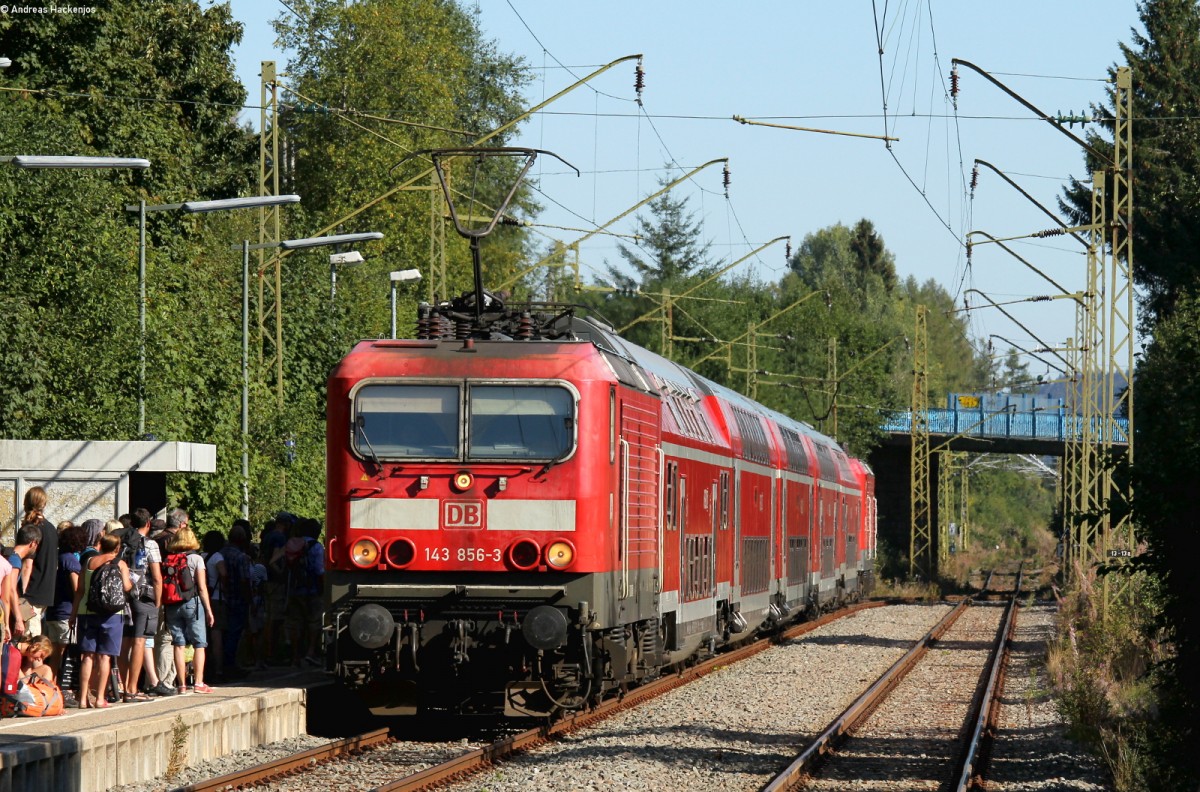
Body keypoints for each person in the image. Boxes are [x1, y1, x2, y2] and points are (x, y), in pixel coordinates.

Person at [71, 531, 131, 709]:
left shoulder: (89, 562)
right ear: (117, 548)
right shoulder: (120, 564)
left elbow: (80, 590)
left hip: (87, 611)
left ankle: (82, 699)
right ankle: (99, 698)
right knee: (105, 657)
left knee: (87, 656)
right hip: (112, 615)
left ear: (100, 545)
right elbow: (127, 587)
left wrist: (73, 615)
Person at [117, 508, 169, 699]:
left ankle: (122, 686)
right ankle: (132, 689)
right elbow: (156, 577)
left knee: (124, 642)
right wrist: (158, 601)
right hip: (144, 597)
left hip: (123, 596)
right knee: (140, 641)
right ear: (148, 524)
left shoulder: (122, 542)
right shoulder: (150, 545)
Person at [164, 526, 214, 694]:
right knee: (199, 643)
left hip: (172, 604)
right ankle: (198, 683)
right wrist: (208, 610)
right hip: (192, 603)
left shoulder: (169, 558)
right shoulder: (196, 559)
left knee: (178, 643)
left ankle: (181, 685)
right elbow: (202, 587)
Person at [46, 521, 87, 705]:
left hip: (53, 611)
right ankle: (55, 689)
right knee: (61, 655)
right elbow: (77, 587)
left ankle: (49, 687)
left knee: (54, 654)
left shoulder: (57, 556)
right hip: (66, 612)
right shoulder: (70, 560)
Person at [152, 508, 188, 687]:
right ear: (181, 524)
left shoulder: (155, 539)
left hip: (154, 593)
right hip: (167, 595)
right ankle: (163, 680)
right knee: (166, 638)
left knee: (159, 638)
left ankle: (163, 678)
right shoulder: (171, 542)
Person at [18, 486, 58, 637]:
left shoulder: (30, 529)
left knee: (30, 640)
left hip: (31, 591)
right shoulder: (51, 528)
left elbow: (27, 564)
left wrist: (23, 594)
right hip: (46, 590)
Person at [220, 520, 253, 679]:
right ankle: (232, 665)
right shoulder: (241, 557)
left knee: (223, 633)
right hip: (238, 599)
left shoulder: (220, 553)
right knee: (235, 633)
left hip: (221, 599)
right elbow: (244, 581)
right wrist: (249, 599)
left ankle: (222, 665)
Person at [4, 523, 42, 639]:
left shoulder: (7, 554)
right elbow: (10, 589)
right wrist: (18, 619)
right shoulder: (15, 560)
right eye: (37, 545)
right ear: (33, 543)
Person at [201, 530, 227, 681]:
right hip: (216, 597)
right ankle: (218, 670)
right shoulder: (217, 557)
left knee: (204, 636)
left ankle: (205, 669)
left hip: (204, 599)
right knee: (217, 635)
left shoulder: (201, 556)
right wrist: (225, 589)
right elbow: (223, 574)